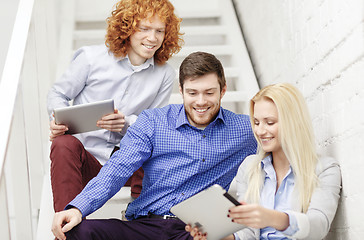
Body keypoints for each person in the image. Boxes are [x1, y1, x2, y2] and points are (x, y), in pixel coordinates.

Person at [51, 51, 257, 240]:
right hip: (145, 224)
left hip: (195, 231)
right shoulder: (153, 121)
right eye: (192, 93)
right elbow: (117, 168)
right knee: (77, 232)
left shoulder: (246, 130)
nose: (201, 101)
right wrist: (78, 209)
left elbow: (280, 140)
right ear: (181, 90)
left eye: (209, 93)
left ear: (223, 90)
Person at [47, 0, 183, 212]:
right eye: (144, 28)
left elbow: (155, 126)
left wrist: (126, 124)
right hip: (86, 160)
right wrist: (56, 120)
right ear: (127, 28)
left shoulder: (164, 74)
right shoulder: (91, 59)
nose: (152, 38)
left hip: (126, 164)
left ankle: (143, 222)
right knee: (63, 144)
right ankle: (68, 228)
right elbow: (58, 94)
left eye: (159, 31)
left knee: (158, 143)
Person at [187, 83, 342, 240]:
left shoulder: (324, 169)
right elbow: (248, 233)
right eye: (256, 122)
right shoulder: (249, 167)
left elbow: (319, 227)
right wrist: (219, 236)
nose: (260, 131)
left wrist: (271, 218)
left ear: (293, 122)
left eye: (269, 122)